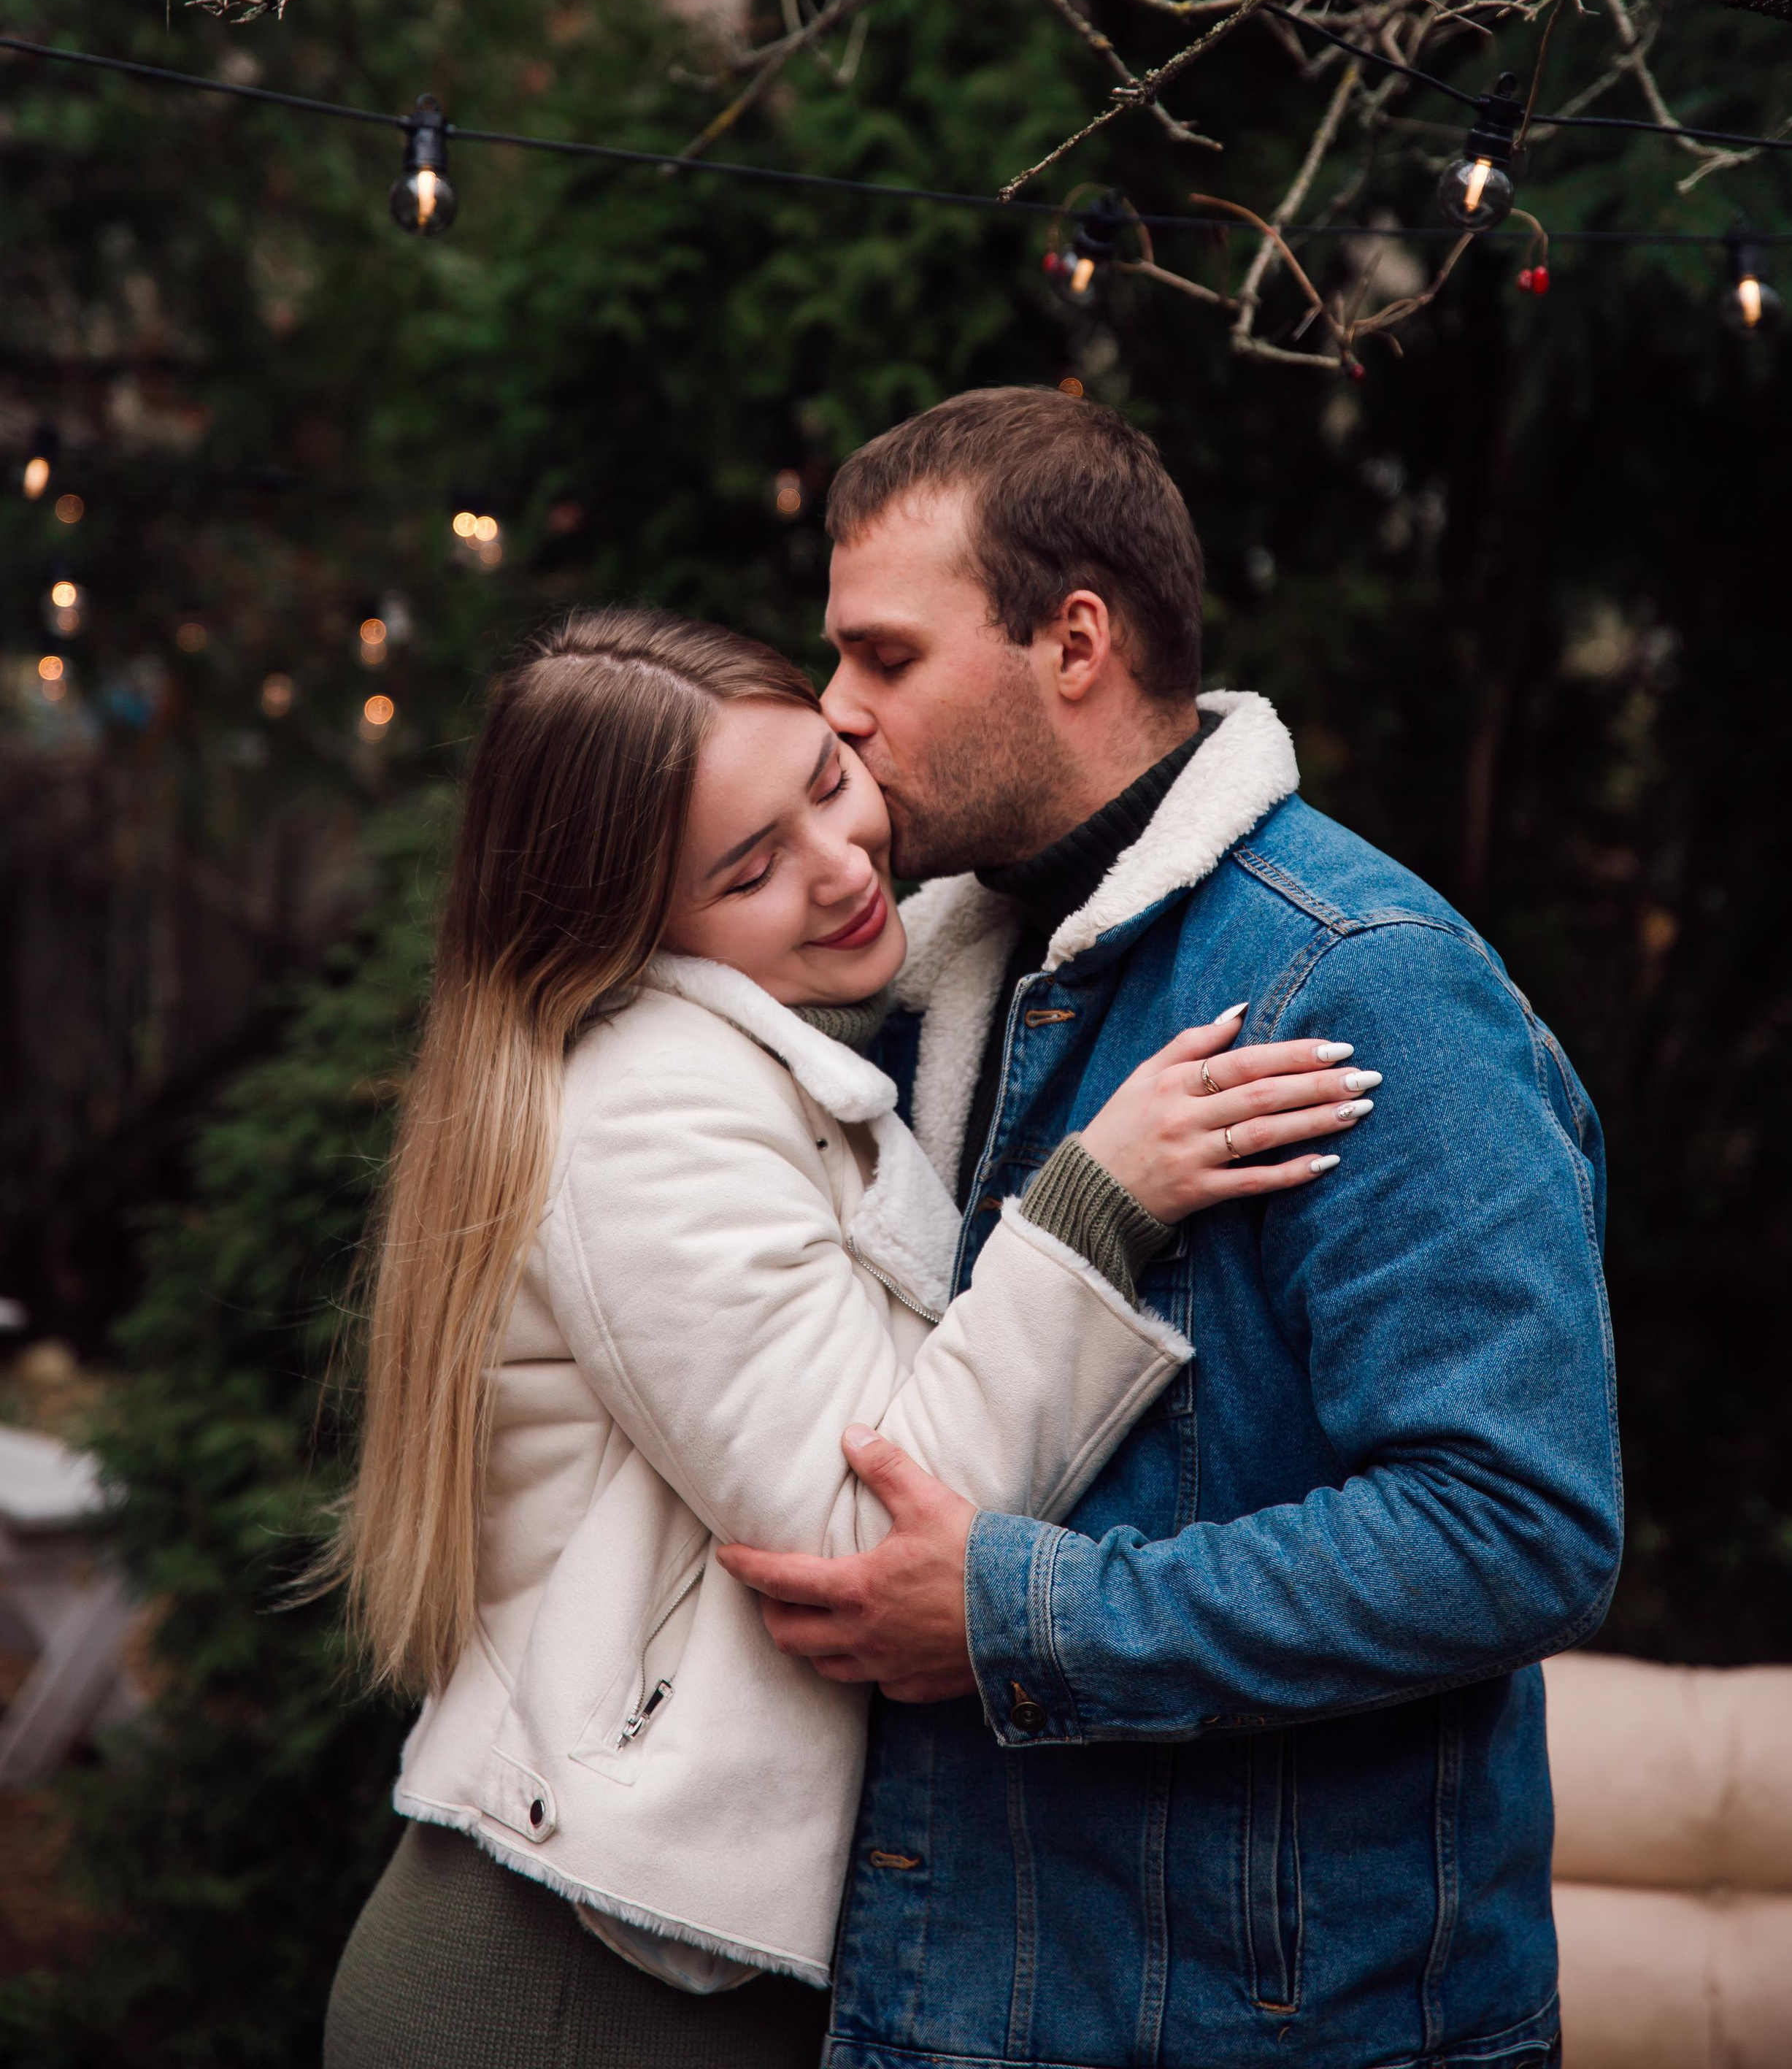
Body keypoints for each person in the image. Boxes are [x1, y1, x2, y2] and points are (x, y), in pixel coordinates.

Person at [323, 609, 1362, 2069]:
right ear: (632, 929)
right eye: (747, 869)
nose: (839, 862)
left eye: (824, 779)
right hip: (581, 1980)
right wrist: (1092, 1203)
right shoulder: (647, 1113)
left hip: (667, 1951)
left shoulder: (778, 1039)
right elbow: (861, 1528)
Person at [720, 387, 1623, 2069]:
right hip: (954, 2001)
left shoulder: (1360, 982)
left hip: (1276, 2030)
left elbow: (1514, 1523)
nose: (834, 716)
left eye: (885, 659)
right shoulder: (920, 987)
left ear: (1074, 642)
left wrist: (1024, 1620)